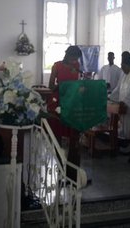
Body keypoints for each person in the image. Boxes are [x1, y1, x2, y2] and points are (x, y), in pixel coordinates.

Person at [48, 45, 82, 179]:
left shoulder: (77, 66)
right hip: (59, 101)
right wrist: (62, 86)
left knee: (71, 134)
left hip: (72, 102)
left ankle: (71, 168)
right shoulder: (56, 66)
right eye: (73, 57)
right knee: (58, 132)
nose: (75, 60)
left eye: (76, 58)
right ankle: (59, 161)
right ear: (68, 55)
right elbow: (50, 86)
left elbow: (77, 82)